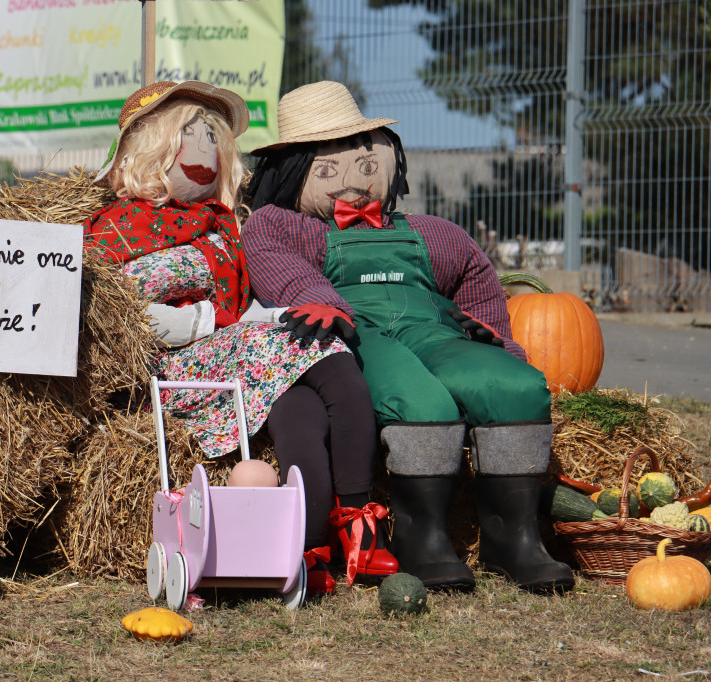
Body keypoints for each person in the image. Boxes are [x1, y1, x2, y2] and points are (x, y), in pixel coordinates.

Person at [242, 80, 575, 594]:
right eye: (327, 167)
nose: (352, 179)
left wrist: (488, 328)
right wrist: (321, 300)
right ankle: (424, 539)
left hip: (432, 327)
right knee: (418, 400)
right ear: (293, 170)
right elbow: (274, 262)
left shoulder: (431, 230)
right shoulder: (283, 224)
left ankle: (514, 539)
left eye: (363, 160)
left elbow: (473, 273)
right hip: (356, 330)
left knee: (515, 384)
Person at [84, 81, 398, 594]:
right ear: (154, 147)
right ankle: (357, 527)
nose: (205, 150)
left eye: (213, 137)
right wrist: (194, 323)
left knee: (302, 396)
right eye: (190, 135)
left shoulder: (225, 226)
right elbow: (111, 313)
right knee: (322, 347)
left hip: (231, 352)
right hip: (174, 373)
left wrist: (270, 318)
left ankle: (318, 542)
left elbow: (241, 304)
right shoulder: (113, 229)